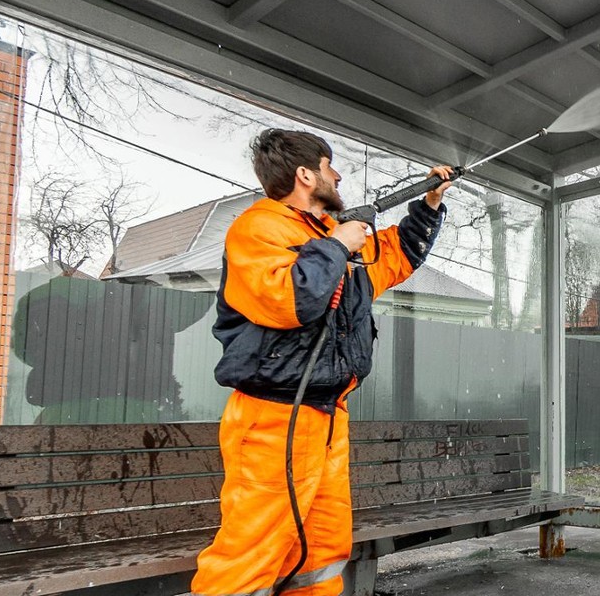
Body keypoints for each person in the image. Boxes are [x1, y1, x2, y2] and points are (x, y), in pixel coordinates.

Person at [191, 129, 452, 596]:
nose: (337, 175)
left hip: (329, 418)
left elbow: (395, 256)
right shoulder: (258, 229)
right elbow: (290, 298)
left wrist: (429, 204)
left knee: (321, 554)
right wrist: (337, 246)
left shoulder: (333, 238)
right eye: (330, 166)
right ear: (306, 174)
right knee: (250, 556)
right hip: (275, 417)